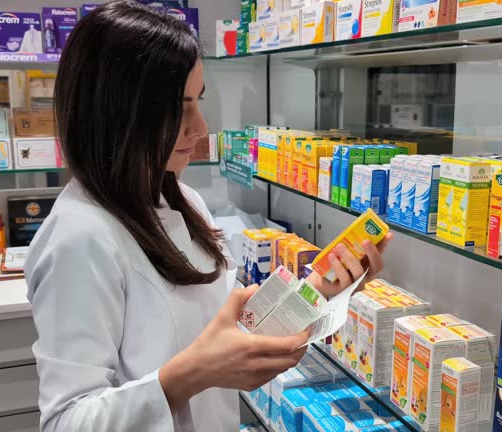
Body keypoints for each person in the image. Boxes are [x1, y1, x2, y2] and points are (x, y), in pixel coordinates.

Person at [25, 2, 393, 432]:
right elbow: (66, 421)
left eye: (198, 102)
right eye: (178, 108)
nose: (200, 128)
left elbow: (229, 330)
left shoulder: (184, 201)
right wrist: (192, 374)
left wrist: (318, 289)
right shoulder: (79, 237)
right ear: (116, 110)